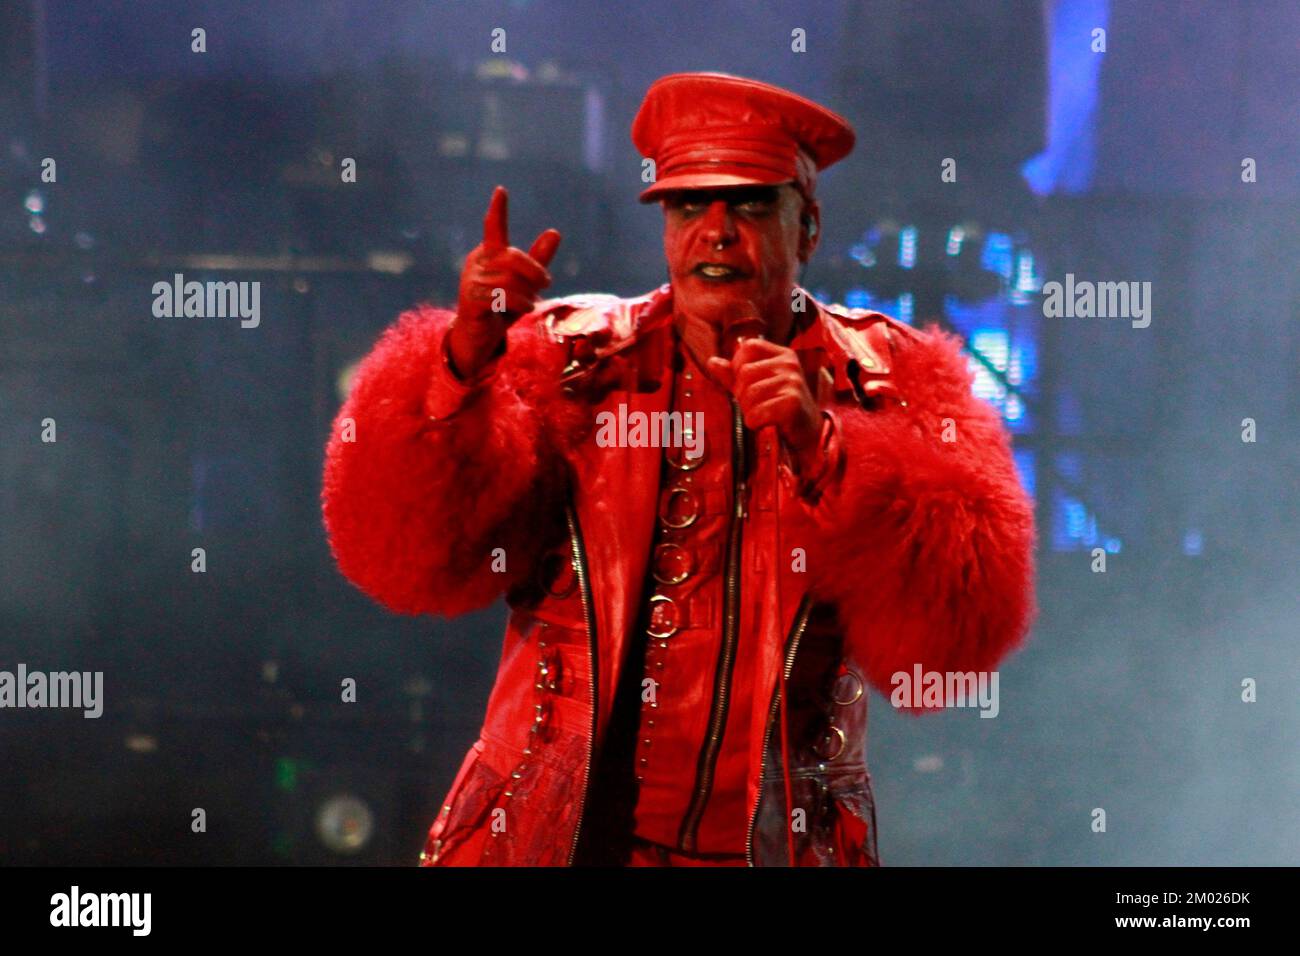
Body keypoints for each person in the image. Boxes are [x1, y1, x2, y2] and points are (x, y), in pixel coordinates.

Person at [321, 72, 1037, 866]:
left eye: (752, 203)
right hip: (547, 841)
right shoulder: (566, 358)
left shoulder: (893, 379)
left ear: (808, 229)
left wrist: (826, 449)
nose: (717, 231)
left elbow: (955, 644)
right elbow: (404, 557)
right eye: (690, 204)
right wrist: (462, 362)